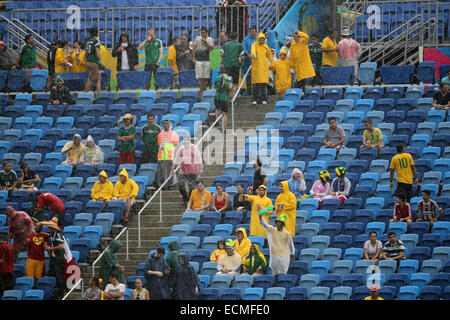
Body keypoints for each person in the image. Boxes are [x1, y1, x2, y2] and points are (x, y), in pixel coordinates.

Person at [259, 213, 295, 285]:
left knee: (283, 273)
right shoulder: (273, 230)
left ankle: (283, 285)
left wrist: (292, 256)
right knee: (275, 273)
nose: (278, 224)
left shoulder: (287, 234)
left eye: (279, 222)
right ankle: (275, 285)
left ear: (283, 224)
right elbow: (264, 225)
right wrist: (260, 216)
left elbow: (291, 245)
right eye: (277, 222)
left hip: (283, 256)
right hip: (274, 255)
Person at [171, 136, 203, 206]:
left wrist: (201, 168)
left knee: (191, 186)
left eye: (187, 142)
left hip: (193, 170)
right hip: (183, 170)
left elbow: (199, 158)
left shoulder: (194, 148)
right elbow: (176, 159)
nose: (185, 144)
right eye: (184, 142)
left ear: (189, 142)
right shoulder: (181, 149)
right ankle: (186, 199)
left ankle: (190, 201)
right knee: (180, 185)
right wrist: (172, 169)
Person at [41, 217, 65, 299]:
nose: (48, 228)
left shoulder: (58, 234)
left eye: (49, 226)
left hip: (58, 258)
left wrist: (50, 248)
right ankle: (52, 291)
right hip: (53, 257)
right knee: (52, 274)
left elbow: (61, 246)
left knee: (58, 275)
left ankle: (61, 293)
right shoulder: (51, 235)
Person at [250, 32, 274, 105]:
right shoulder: (255, 44)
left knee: (263, 85)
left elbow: (270, 55)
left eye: (263, 39)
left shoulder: (266, 46)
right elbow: (253, 50)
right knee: (256, 85)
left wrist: (272, 64)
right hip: (256, 68)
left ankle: (264, 99)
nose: (262, 41)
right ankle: (255, 99)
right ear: (258, 39)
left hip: (263, 68)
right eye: (260, 39)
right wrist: (253, 54)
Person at [156, 119, 179, 190]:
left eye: (167, 123)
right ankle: (162, 184)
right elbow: (159, 144)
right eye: (164, 124)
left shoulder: (174, 134)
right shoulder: (160, 134)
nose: (165, 125)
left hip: (170, 155)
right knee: (161, 170)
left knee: (170, 170)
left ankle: (170, 184)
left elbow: (176, 144)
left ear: (169, 125)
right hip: (161, 155)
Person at [193, 27, 214, 101]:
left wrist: (205, 42)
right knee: (199, 77)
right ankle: (200, 92)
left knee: (205, 78)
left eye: (204, 33)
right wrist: (193, 58)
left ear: (206, 33)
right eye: (201, 33)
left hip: (206, 59)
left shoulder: (210, 39)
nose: (202, 34)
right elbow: (193, 47)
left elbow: (211, 48)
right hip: (198, 60)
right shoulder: (197, 38)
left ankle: (203, 91)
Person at [84, 27, 104, 93]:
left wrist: (87, 60)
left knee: (90, 79)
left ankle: (85, 93)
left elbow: (85, 54)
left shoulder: (88, 41)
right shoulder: (96, 41)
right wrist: (101, 60)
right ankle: (99, 95)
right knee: (98, 79)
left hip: (88, 62)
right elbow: (97, 51)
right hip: (94, 62)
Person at [242, 26, 258, 96]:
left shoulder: (258, 39)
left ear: (256, 32)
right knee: (248, 77)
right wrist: (248, 55)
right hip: (247, 61)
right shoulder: (246, 39)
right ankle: (248, 92)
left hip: (256, 61)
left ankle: (255, 93)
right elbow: (244, 48)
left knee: (256, 77)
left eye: (254, 32)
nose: (252, 33)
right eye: (251, 32)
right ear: (249, 32)